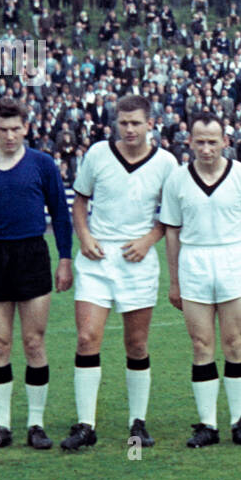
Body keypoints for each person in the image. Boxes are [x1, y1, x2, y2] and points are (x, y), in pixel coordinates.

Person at [0, 97, 74, 451]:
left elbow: (60, 213)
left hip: (32, 255)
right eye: (2, 129)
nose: (9, 136)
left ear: (26, 127)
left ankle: (35, 424)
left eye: (16, 129)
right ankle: (1, 425)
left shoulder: (43, 164)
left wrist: (65, 257)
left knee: (34, 342)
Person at [62, 94, 177, 451]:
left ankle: (137, 423)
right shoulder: (97, 154)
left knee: (137, 344)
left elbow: (172, 216)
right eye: (123, 123)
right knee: (86, 338)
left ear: (150, 124)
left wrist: (148, 239)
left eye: (136, 123)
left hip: (137, 261)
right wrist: (83, 236)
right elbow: (79, 201)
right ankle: (85, 424)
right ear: (115, 124)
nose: (129, 129)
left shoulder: (166, 163)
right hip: (97, 260)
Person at [161, 113, 241, 447]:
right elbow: (172, 233)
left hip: (232, 259)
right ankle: (207, 424)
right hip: (194, 262)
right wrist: (174, 280)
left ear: (225, 142)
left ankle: (239, 421)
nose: (206, 148)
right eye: (199, 141)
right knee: (201, 344)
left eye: (212, 141)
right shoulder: (177, 179)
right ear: (189, 142)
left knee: (234, 343)